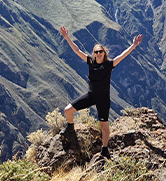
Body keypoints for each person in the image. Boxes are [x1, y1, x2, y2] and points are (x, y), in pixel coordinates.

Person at [59, 26, 143, 159]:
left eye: (100, 51)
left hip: (103, 99)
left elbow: (122, 55)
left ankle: (105, 149)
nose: (98, 53)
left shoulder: (109, 65)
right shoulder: (90, 62)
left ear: (104, 53)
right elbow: (77, 50)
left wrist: (133, 45)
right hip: (91, 96)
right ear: (94, 53)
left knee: (104, 125)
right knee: (68, 110)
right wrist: (67, 37)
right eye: (96, 52)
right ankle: (70, 127)